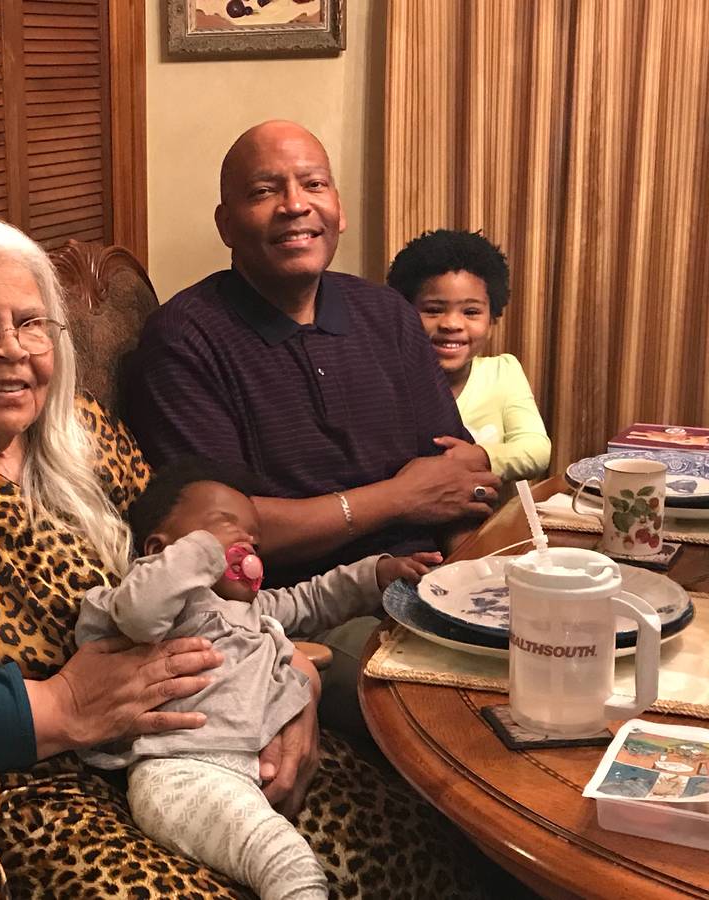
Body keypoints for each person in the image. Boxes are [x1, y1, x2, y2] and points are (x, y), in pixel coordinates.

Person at [0, 213, 493, 898]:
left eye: (32, 324)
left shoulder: (80, 434)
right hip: (0, 796)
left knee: (417, 846)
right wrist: (51, 708)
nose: (11, 350)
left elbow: (204, 576)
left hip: (186, 743)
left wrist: (284, 678)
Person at [121, 121, 501, 724]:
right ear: (226, 223)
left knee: (573, 642)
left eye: (313, 184)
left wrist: (468, 578)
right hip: (299, 616)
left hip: (430, 580)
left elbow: (466, 475)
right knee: (468, 705)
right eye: (264, 191)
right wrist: (402, 497)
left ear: (338, 209)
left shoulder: (386, 314)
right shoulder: (186, 341)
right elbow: (223, 536)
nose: (295, 205)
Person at [75, 459, 439, 900]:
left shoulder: (254, 611)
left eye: (254, 539)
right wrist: (201, 552)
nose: (247, 542)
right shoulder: (160, 601)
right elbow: (140, 614)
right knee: (291, 869)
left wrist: (373, 575)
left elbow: (312, 599)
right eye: (224, 525)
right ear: (161, 547)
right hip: (180, 773)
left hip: (243, 775)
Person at [387, 229, 551, 482]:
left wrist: (482, 457)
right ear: (403, 315)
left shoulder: (502, 373)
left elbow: (536, 449)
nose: (452, 324)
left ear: (492, 319)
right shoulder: (387, 381)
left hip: (497, 522)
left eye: (471, 311)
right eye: (433, 310)